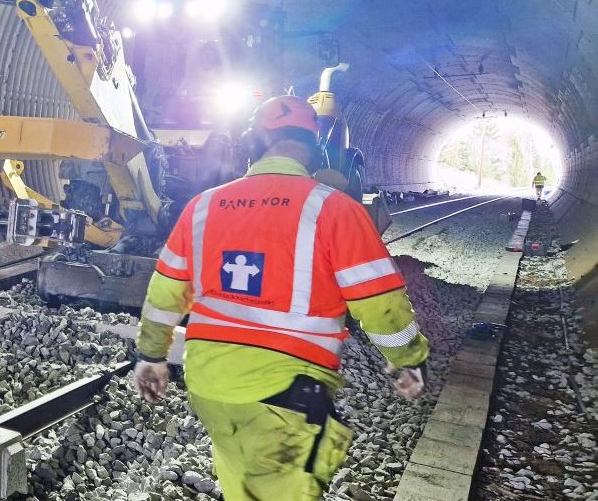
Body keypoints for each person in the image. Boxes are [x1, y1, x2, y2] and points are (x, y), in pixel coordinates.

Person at [133, 95, 430, 501]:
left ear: (252, 146)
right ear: (314, 151)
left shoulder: (202, 206)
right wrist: (409, 360)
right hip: (283, 395)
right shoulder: (335, 209)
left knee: (243, 481)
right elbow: (381, 304)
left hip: (208, 384)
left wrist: (151, 357)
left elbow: (165, 294)